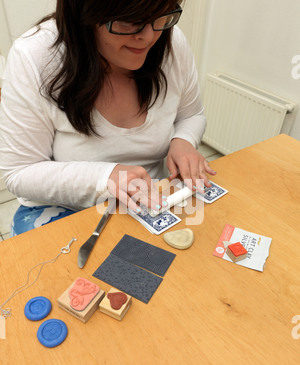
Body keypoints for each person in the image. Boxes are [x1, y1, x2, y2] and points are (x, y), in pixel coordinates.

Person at [0, 0, 216, 236]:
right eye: (131, 21)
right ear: (85, 14)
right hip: (66, 206)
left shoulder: (171, 41)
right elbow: (19, 172)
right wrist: (105, 177)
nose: (149, 36)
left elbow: (192, 114)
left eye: (162, 16)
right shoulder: (35, 56)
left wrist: (183, 141)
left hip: (148, 202)